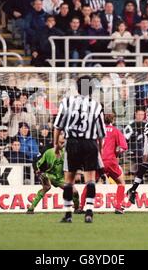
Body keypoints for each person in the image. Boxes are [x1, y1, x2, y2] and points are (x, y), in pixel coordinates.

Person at [53, 75, 106, 223]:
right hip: (90, 143)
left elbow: (57, 127)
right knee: (90, 180)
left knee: (69, 180)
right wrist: (99, 150)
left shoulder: (67, 102)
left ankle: (68, 214)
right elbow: (101, 134)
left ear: (77, 87)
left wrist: (56, 145)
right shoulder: (96, 106)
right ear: (92, 89)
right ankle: (89, 212)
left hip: (73, 143)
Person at [27, 133, 80, 214]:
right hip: (48, 174)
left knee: (75, 192)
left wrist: (76, 172)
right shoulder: (47, 150)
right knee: (47, 187)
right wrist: (38, 172)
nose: (64, 137)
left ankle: (77, 209)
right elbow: (36, 161)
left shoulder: (67, 150)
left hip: (60, 177)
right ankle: (31, 209)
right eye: (61, 135)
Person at [99, 112, 128, 214]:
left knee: (90, 183)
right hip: (110, 161)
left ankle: (81, 206)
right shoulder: (116, 131)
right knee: (121, 183)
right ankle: (119, 206)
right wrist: (117, 151)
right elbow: (123, 147)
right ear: (113, 120)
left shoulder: (97, 130)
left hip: (98, 161)